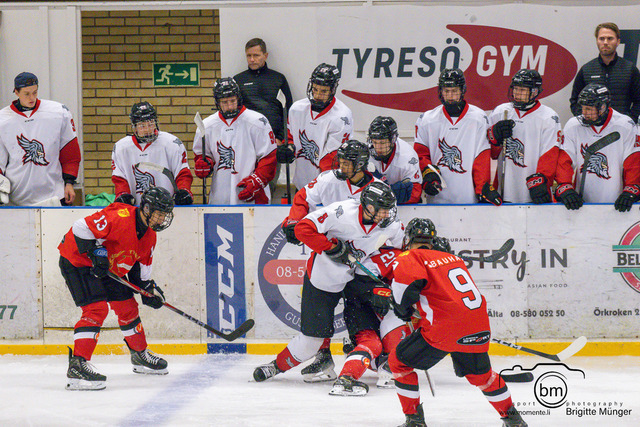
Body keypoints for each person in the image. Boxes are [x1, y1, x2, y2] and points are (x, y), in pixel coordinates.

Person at [252, 182, 404, 384]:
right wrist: (331, 247)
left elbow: (402, 252)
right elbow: (302, 229)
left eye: (389, 209)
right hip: (323, 278)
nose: (386, 214)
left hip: (356, 280)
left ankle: (371, 356)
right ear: (368, 206)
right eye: (382, 209)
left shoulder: (391, 225)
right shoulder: (341, 212)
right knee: (311, 341)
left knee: (373, 327)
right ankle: (276, 366)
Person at [388, 218, 527, 427]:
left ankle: (415, 421)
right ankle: (514, 420)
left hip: (444, 330)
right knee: (483, 377)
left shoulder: (410, 256)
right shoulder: (453, 259)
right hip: (478, 325)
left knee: (398, 362)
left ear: (408, 239)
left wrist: (404, 311)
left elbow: (404, 293)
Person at [282, 139, 383, 382]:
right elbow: (303, 197)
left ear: (361, 165)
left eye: (348, 162)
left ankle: (366, 351)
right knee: (322, 306)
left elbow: (385, 225)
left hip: (362, 258)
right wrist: (294, 220)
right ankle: (323, 354)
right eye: (342, 161)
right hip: (329, 253)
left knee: (359, 307)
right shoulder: (329, 179)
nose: (341, 166)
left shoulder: (379, 189)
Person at [58, 186, 175, 390]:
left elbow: (141, 273)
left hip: (107, 268)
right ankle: (77, 365)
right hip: (78, 261)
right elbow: (80, 227)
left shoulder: (150, 236)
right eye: (159, 214)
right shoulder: (120, 215)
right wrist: (95, 251)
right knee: (96, 309)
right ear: (146, 209)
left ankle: (139, 355)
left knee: (128, 307)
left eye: (165, 215)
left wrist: (149, 291)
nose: (162, 219)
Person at [414, 68, 501, 205]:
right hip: (437, 198)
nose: (450, 95)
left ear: (462, 91)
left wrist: (481, 189)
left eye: (454, 91)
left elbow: (482, 157)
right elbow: (420, 155)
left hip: (468, 197)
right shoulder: (427, 120)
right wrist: (427, 174)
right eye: (446, 91)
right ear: (440, 91)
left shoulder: (478, 118)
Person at [0, 72, 81, 206]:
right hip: (16, 200)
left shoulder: (58, 112)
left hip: (54, 196)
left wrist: (69, 182)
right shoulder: (3, 119)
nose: (32, 98)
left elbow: (70, 153)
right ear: (16, 92)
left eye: (35, 92)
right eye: (26, 94)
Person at [193, 77, 277, 204]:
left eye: (232, 101)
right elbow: (202, 155)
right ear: (217, 102)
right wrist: (205, 164)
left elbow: (269, 157)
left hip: (254, 196)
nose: (230, 106)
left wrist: (257, 180)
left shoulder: (258, 121)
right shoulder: (206, 126)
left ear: (238, 98)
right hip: (220, 197)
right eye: (224, 102)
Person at [556, 83, 640, 211]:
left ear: (603, 107)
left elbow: (633, 162)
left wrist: (631, 189)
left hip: (616, 202)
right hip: (581, 203)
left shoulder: (625, 125)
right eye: (583, 108)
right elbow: (564, 161)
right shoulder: (573, 126)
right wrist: (565, 186)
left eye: (589, 109)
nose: (584, 113)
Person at [487, 69, 561, 203]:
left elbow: (550, 154)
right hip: (505, 187)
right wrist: (495, 138)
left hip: (534, 188)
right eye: (515, 89)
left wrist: (542, 179)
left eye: (522, 90)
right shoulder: (501, 112)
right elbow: (491, 153)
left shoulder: (548, 117)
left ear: (535, 92)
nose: (517, 94)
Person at [276, 63, 353, 192]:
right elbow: (290, 136)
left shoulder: (342, 116)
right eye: (315, 89)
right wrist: (288, 149)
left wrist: (316, 189)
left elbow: (332, 159)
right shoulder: (297, 109)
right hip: (301, 185)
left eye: (323, 91)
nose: (317, 95)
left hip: (326, 187)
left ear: (332, 90)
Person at [234, 38, 293, 195]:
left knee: (267, 187)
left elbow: (288, 111)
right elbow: (234, 114)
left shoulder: (278, 79)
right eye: (249, 56)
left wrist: (281, 138)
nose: (252, 59)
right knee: (244, 187)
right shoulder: (238, 80)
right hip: (245, 144)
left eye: (256, 55)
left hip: (273, 144)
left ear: (265, 56)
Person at [111, 101, 194, 206]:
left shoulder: (172, 143)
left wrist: (184, 190)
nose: (147, 129)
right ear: (134, 127)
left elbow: (183, 173)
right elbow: (119, 178)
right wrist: (122, 193)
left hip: (168, 208)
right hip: (137, 209)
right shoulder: (121, 148)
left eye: (151, 124)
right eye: (142, 126)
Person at [569, 22, 640, 124]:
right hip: (592, 128)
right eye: (602, 39)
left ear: (618, 41)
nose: (605, 42)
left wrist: (629, 121)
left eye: (610, 38)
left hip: (621, 128)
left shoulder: (630, 69)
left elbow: (638, 101)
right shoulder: (586, 70)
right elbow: (575, 101)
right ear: (597, 41)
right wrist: (587, 118)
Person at [367, 116, 422, 204]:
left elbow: (415, 193)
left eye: (382, 142)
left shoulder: (408, 157)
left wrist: (389, 197)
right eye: (375, 142)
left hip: (402, 207)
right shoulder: (367, 152)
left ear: (393, 139)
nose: (377, 147)